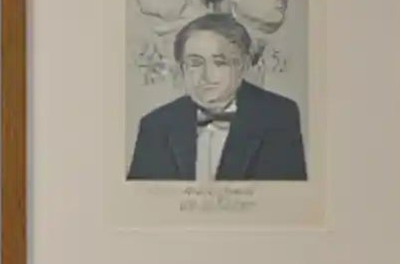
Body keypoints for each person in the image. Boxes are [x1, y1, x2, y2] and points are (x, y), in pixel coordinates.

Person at [127, 13, 306, 183]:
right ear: (182, 69)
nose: (207, 75)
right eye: (195, 63)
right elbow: (141, 197)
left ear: (243, 65)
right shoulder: (156, 125)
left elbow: (286, 196)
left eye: (220, 62)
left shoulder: (278, 116)